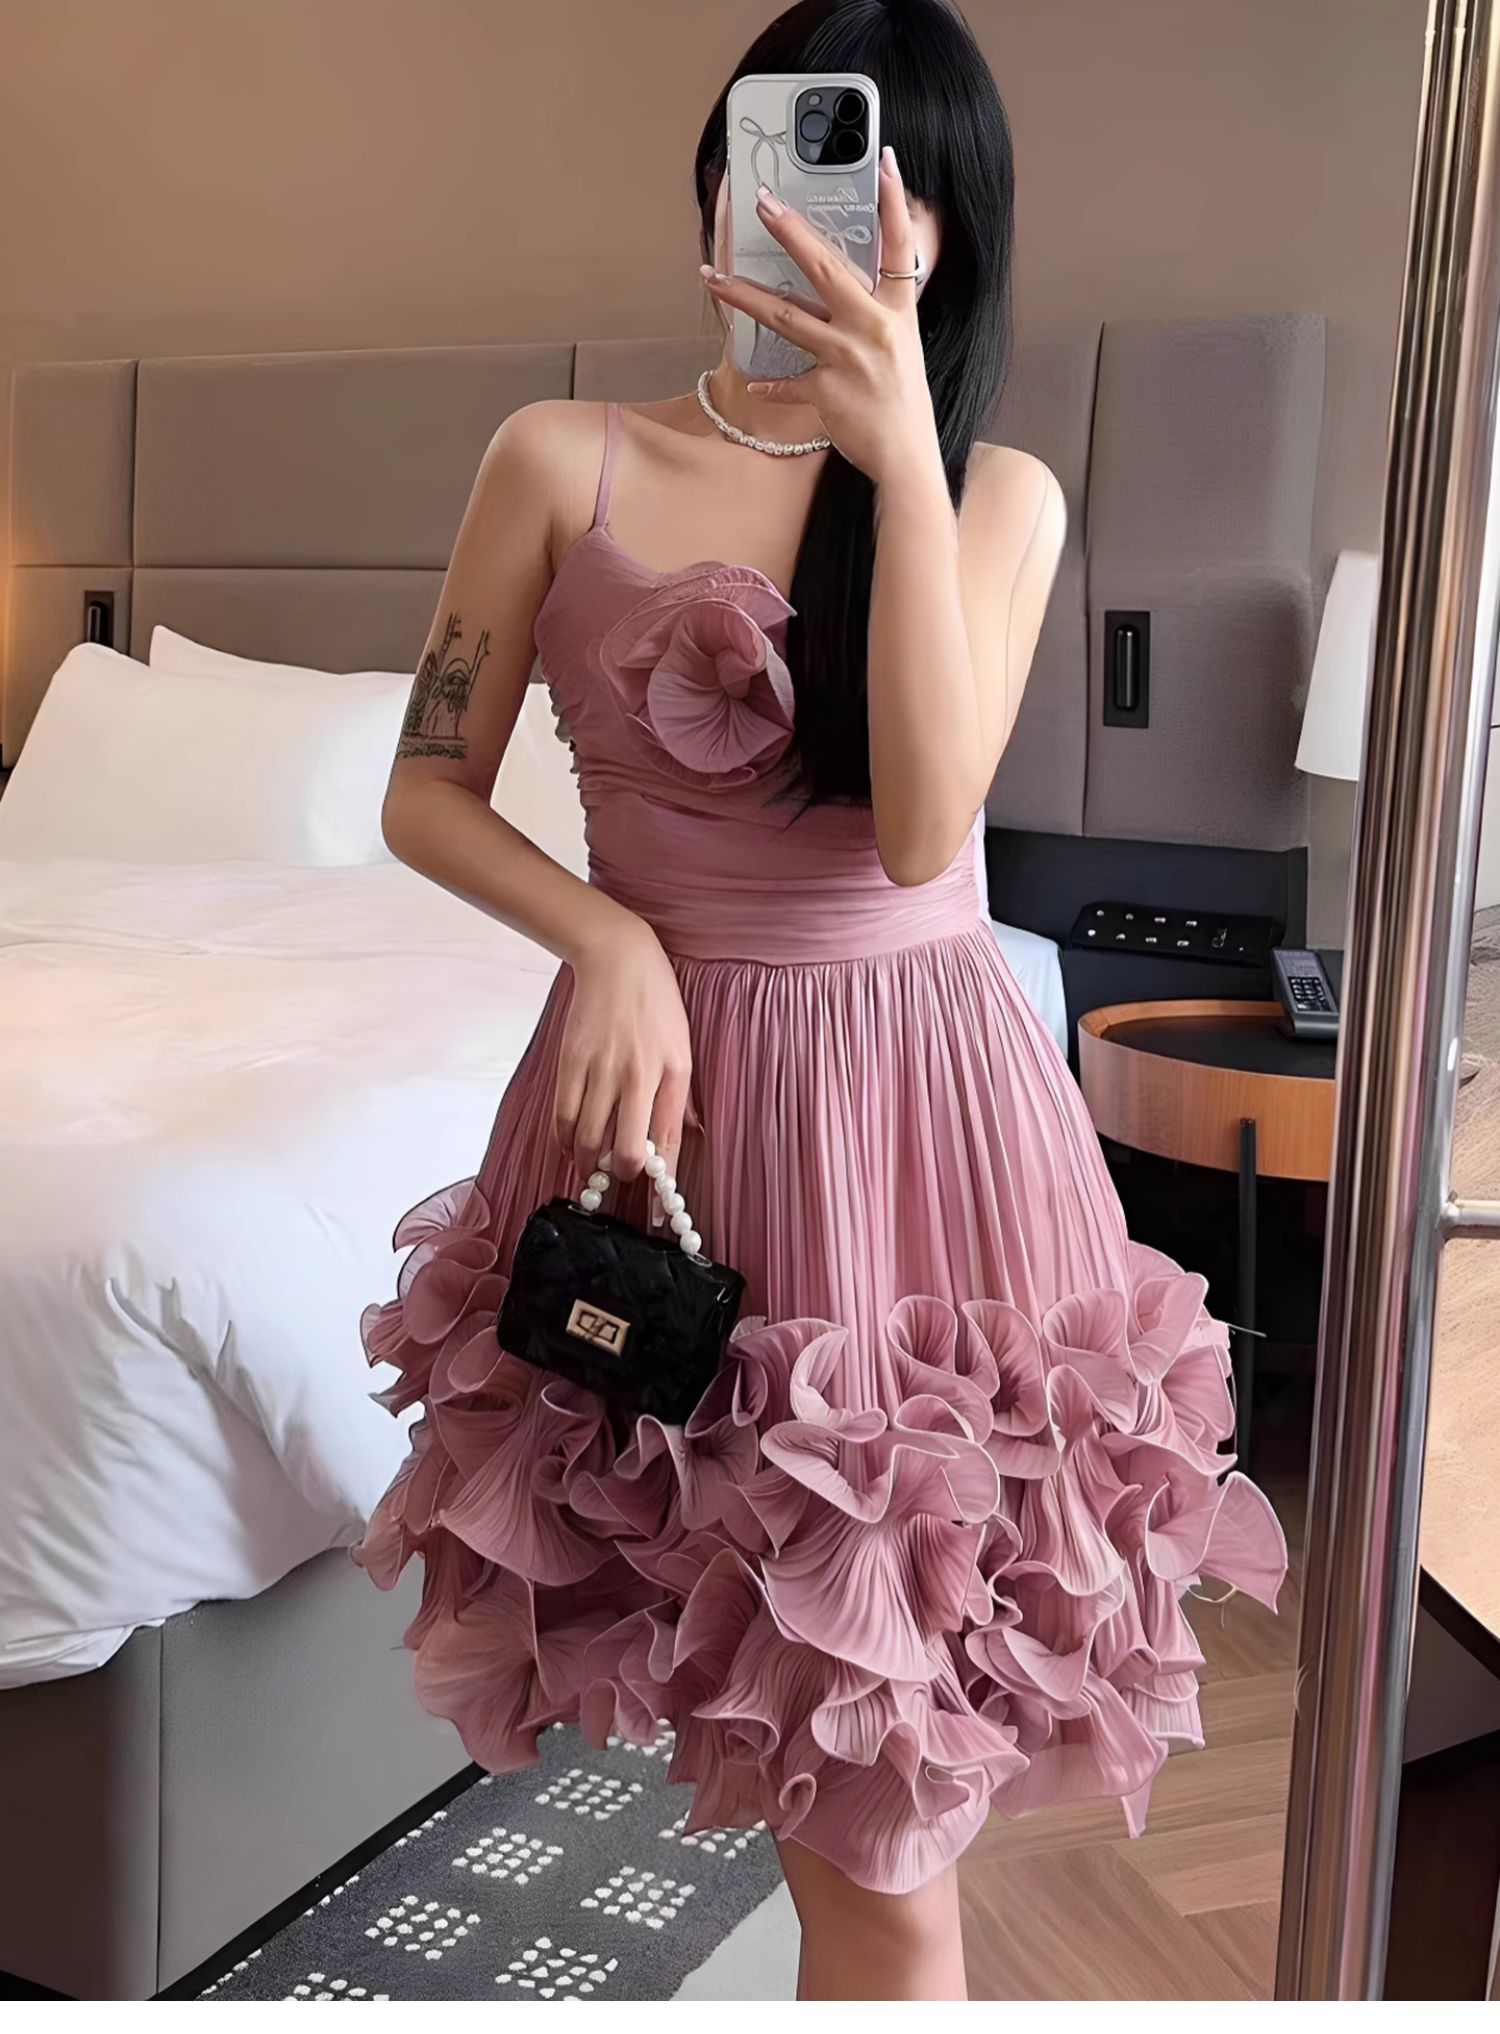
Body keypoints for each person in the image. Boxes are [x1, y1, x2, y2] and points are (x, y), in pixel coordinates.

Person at [356, 0, 1286, 2002]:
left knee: (884, 1820)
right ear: (722, 184)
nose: (853, 218)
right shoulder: (561, 457)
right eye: (803, 156)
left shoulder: (1002, 497)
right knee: (809, 1784)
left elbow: (931, 822)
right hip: (669, 1126)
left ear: (955, 234)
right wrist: (608, 936)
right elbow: (423, 788)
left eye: (902, 182)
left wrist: (900, 466)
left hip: (926, 1151)